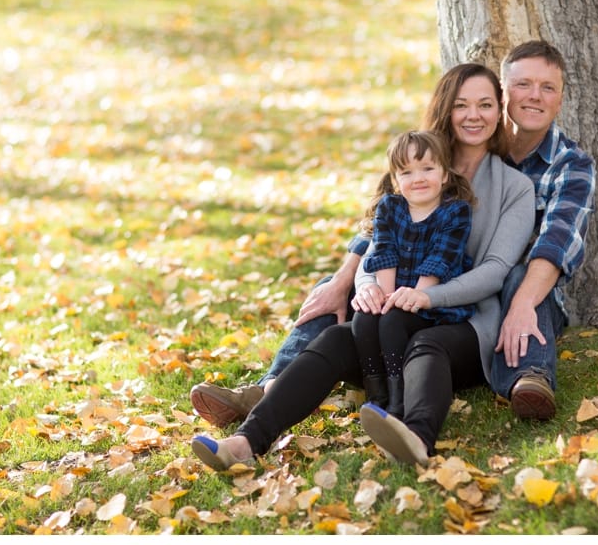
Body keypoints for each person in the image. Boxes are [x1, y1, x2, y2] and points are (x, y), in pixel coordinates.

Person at [189, 61, 536, 470]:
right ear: (446, 109)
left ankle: (417, 439)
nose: (473, 115)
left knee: (428, 344)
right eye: (462, 105)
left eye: (484, 105)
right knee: (338, 339)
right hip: (391, 317)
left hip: (460, 323)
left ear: (500, 111)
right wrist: (368, 282)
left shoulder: (516, 188)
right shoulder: (412, 163)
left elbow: (495, 270)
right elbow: (378, 236)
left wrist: (426, 296)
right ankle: (245, 442)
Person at [487, 40, 595, 420]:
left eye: (547, 88)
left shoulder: (573, 164)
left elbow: (556, 243)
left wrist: (520, 305)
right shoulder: (474, 146)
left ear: (560, 100)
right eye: (523, 85)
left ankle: (531, 378)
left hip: (535, 296)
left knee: (521, 274)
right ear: (502, 92)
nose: (535, 96)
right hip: (468, 282)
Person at [350, 130, 474, 416]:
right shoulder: (389, 207)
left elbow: (440, 259)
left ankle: (398, 399)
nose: (418, 178)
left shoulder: (455, 212)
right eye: (406, 172)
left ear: (444, 175)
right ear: (395, 181)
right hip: (396, 291)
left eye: (428, 169)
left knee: (393, 321)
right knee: (365, 319)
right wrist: (385, 295)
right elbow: (384, 252)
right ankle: (376, 394)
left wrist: (414, 295)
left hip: (431, 301)